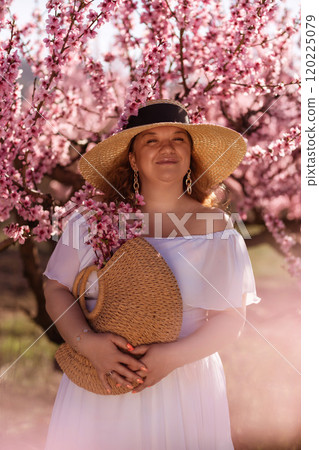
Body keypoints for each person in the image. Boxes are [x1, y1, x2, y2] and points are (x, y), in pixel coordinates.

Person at [43, 99, 261, 449]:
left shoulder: (217, 228)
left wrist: (170, 359)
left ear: (191, 155)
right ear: (132, 158)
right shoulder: (89, 220)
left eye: (179, 139)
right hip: (103, 380)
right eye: (151, 140)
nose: (167, 148)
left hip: (183, 384)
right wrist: (89, 345)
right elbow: (55, 287)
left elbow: (231, 318)